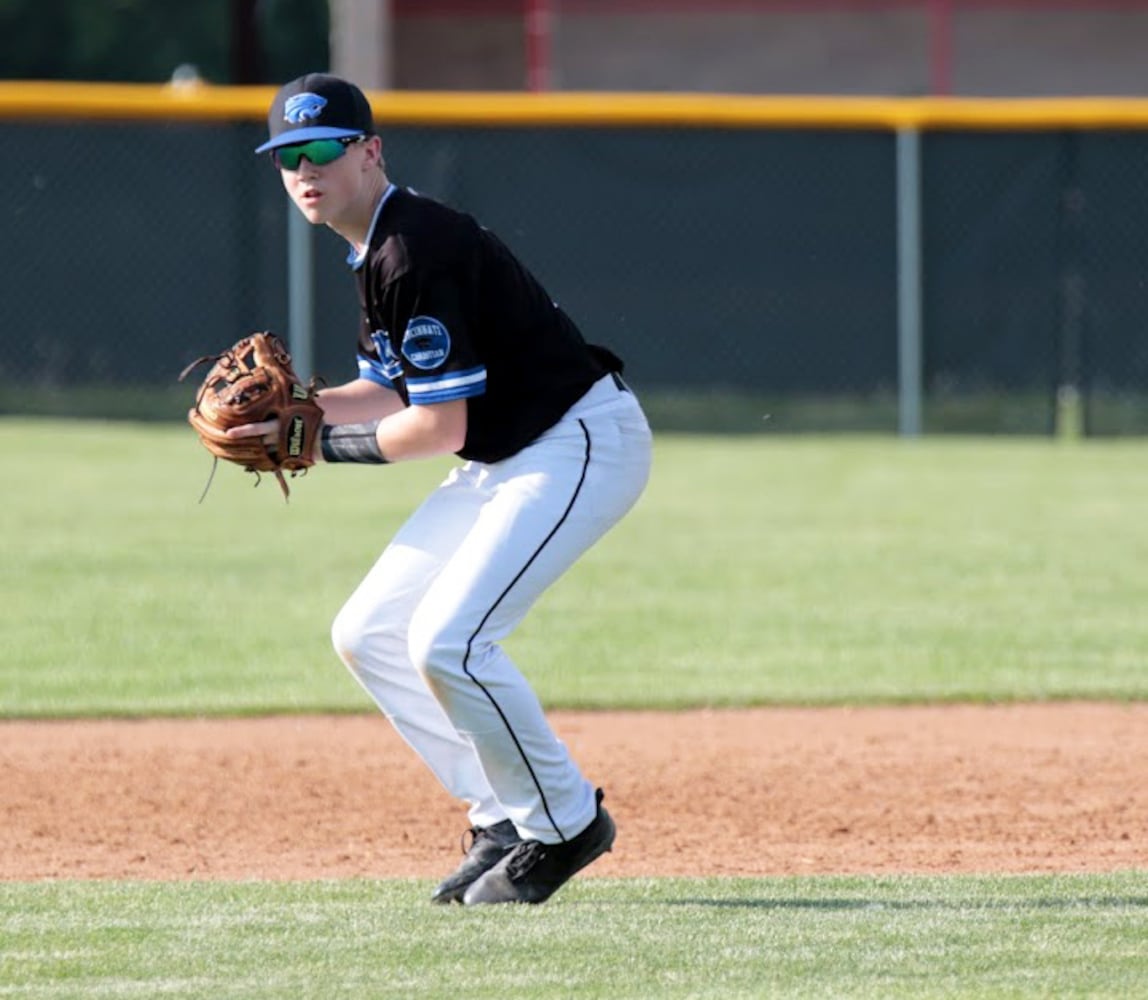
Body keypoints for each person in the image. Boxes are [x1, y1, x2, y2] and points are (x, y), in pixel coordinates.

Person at [232, 73, 653, 905]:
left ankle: (565, 823)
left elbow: (437, 430)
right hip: (511, 456)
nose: (305, 170)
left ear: (370, 151)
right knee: (369, 630)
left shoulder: (413, 248)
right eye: (287, 158)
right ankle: (502, 814)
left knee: (449, 641)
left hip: (576, 443)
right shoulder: (379, 247)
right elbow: (391, 391)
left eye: (322, 150)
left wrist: (310, 444)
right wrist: (302, 409)